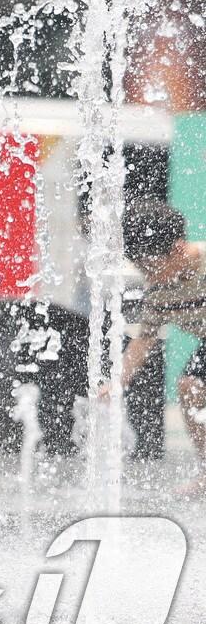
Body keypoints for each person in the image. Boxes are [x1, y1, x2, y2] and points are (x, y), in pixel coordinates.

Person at [115, 201, 206, 498]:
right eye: (140, 267)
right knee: (190, 387)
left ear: (179, 248)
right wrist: (118, 382)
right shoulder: (160, 289)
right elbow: (144, 340)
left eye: (152, 265)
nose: (148, 275)